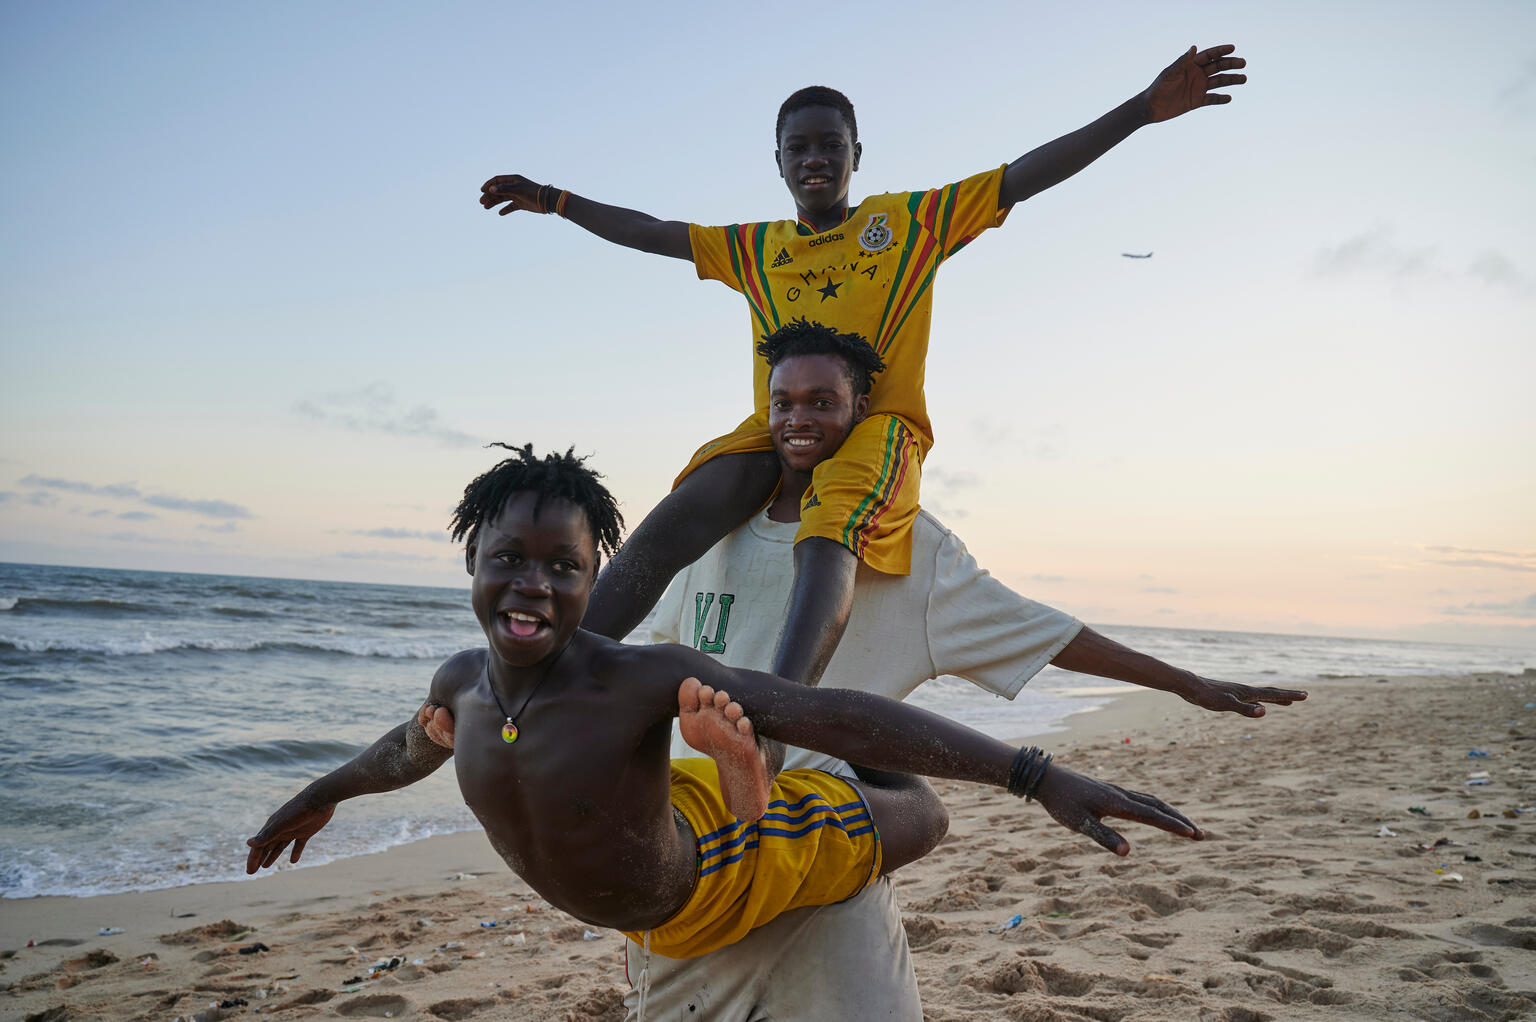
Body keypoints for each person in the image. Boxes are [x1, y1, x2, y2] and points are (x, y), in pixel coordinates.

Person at [417, 325, 1305, 1020]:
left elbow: (1050, 632)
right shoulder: (709, 533)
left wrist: (1186, 683)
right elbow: (575, 662)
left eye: (824, 401)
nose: (800, 418)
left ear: (863, 410)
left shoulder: (913, 553)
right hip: (697, 858)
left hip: (830, 874)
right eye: (782, 400)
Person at [478, 45, 1249, 697]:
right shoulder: (757, 245)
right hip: (780, 427)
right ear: (777, 163)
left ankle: (774, 713)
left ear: (855, 154)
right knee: (684, 511)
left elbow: (1024, 175)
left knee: (831, 525)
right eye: (798, 148)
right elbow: (653, 233)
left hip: (877, 430)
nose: (815, 158)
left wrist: (1141, 109)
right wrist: (556, 200)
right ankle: (546, 681)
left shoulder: (911, 223)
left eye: (830, 145)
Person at [246, 446, 1205, 969]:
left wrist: (1036, 775)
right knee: (763, 747)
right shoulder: (460, 681)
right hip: (660, 886)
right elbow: (409, 750)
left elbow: (798, 704)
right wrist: (322, 793)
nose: (531, 587)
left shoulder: (636, 676)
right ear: (472, 563)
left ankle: (775, 778)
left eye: (564, 569)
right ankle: (752, 771)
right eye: (509, 561)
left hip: (721, 874)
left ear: (594, 581)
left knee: (921, 814)